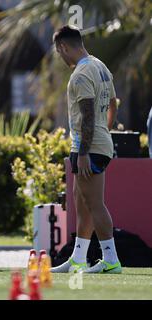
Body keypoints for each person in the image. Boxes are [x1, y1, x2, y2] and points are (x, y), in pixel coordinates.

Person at [51, 25, 122, 274]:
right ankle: (78, 259)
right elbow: (113, 102)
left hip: (88, 148)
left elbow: (88, 116)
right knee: (80, 203)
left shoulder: (81, 74)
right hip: (97, 143)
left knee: (94, 204)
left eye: (59, 51)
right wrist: (106, 131)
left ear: (63, 47)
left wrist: (82, 153)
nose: (60, 56)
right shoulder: (100, 66)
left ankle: (111, 260)